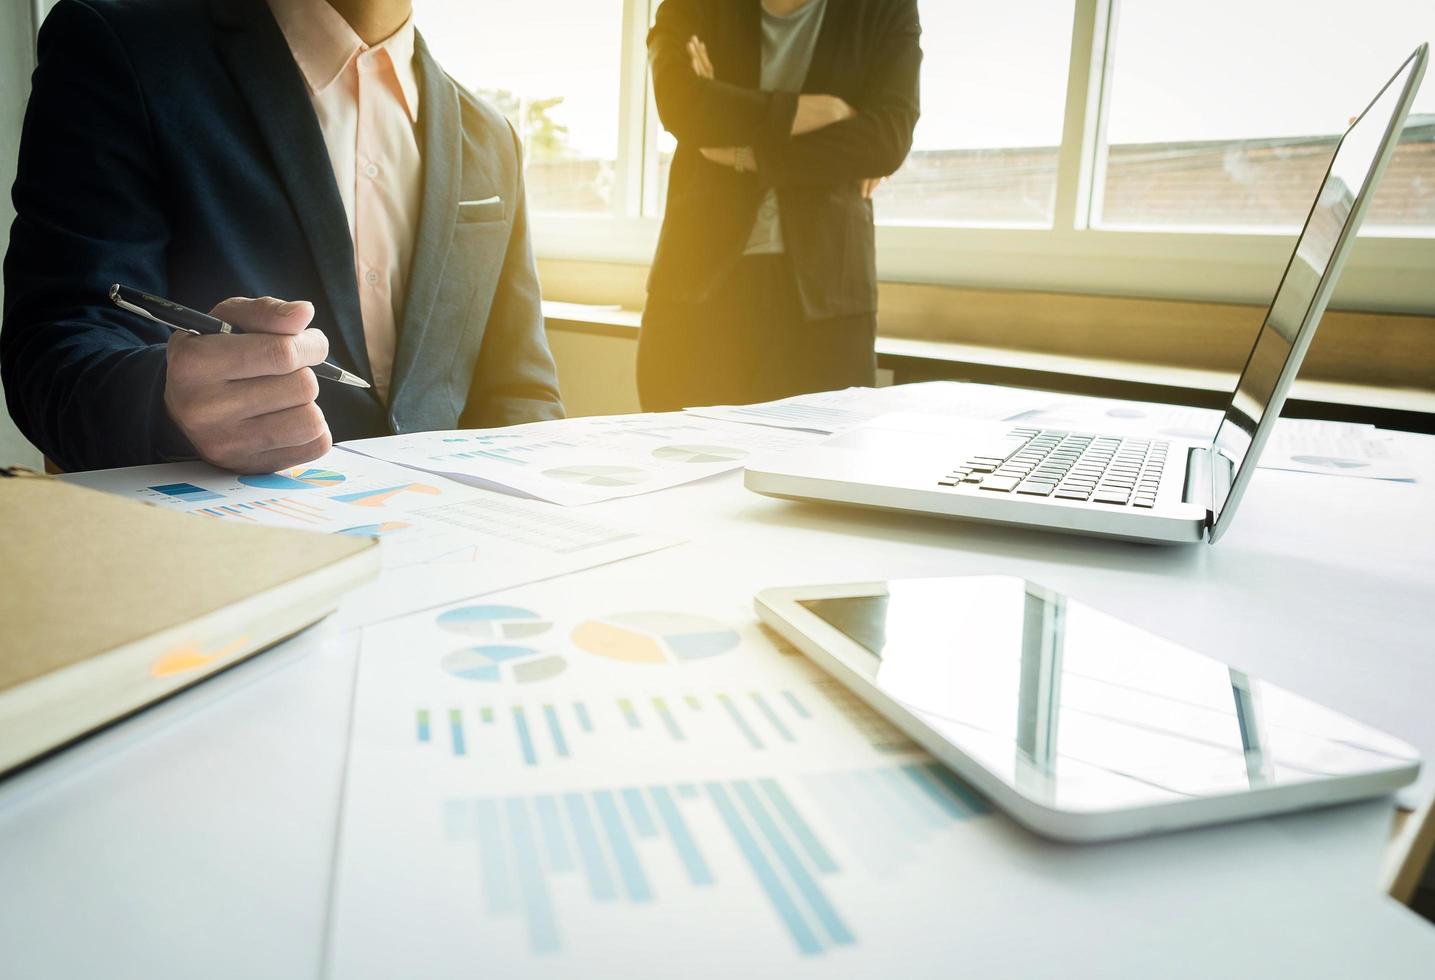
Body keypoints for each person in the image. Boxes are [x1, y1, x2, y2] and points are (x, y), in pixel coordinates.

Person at [1, 0, 563, 475]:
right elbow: (54, 348)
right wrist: (165, 403)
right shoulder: (121, 45)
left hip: (452, 564)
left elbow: (522, 388)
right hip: (214, 570)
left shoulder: (491, 137)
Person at [638, 0, 921, 412]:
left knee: (814, 469)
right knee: (678, 469)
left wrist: (748, 154)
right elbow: (682, 104)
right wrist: (815, 111)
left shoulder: (881, 6)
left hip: (826, 304)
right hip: (697, 292)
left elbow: (887, 139)